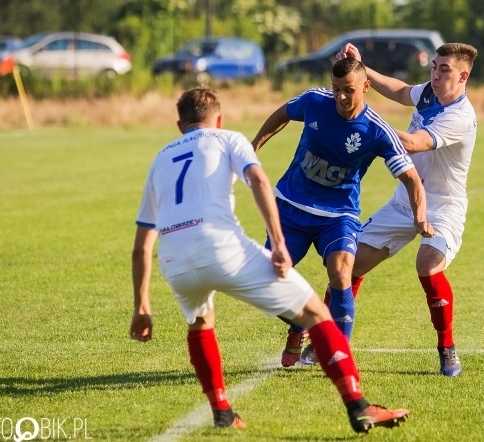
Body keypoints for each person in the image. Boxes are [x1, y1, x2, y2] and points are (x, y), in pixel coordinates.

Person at [129, 87, 410, 433]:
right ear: (219, 119)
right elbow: (260, 180)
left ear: (179, 125)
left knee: (201, 323)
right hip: (222, 249)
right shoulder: (228, 138)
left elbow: (142, 244)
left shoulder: (160, 159)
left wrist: (141, 305)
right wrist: (278, 244)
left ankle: (222, 411)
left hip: (175, 261)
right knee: (316, 313)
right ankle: (358, 405)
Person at [252, 57, 433, 368]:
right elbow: (283, 112)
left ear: (365, 87)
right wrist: (254, 145)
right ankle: (300, 327)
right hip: (290, 206)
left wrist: (420, 217)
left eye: (348, 90)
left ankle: (339, 353)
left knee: (341, 271)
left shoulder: (377, 131)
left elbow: (412, 179)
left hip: (338, 214)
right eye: (336, 89)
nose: (341, 97)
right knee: (270, 281)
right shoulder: (314, 101)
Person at [334, 42, 479, 377]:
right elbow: (400, 90)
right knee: (349, 265)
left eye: (445, 70)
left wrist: (362, 118)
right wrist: (361, 67)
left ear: (463, 76)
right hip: (404, 201)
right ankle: (333, 339)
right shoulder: (429, 91)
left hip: (444, 207)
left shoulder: (460, 116)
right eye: (435, 67)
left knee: (427, 266)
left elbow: (414, 142)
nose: (436, 74)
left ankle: (447, 348)